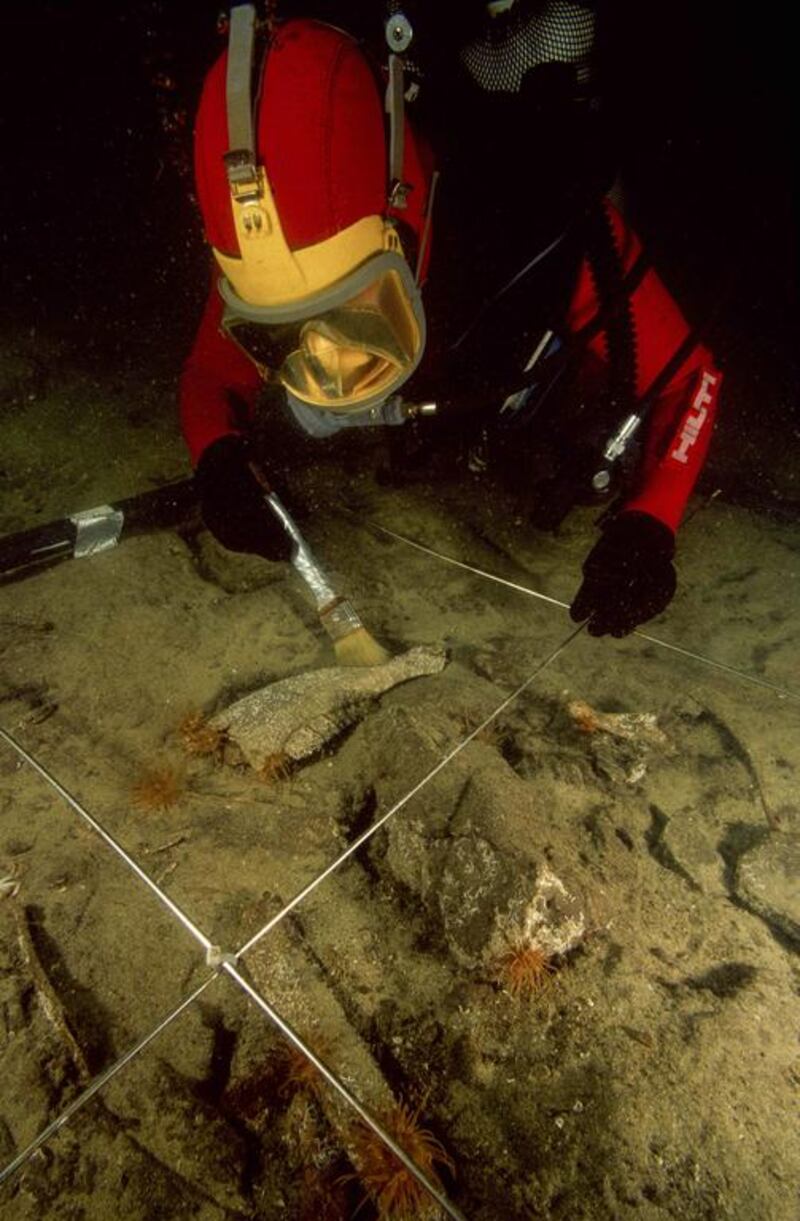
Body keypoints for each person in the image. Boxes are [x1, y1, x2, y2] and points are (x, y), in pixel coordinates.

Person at [180, 1, 722, 637]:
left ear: (401, 231)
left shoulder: (544, 228)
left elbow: (694, 379)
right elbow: (209, 369)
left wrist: (649, 522)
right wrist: (217, 460)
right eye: (275, 335)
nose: (325, 368)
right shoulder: (277, 254)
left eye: (353, 312)